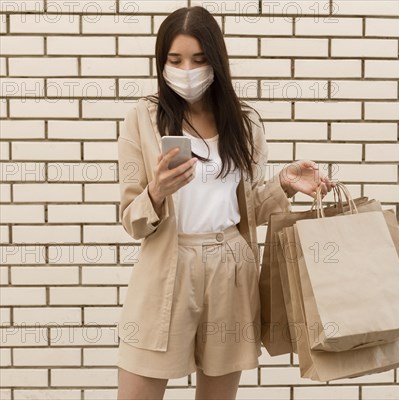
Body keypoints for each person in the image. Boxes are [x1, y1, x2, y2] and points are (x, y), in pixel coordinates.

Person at [116, 5, 335, 400]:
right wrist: (157, 191)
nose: (187, 69)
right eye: (175, 59)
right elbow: (133, 221)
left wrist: (284, 184)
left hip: (231, 266)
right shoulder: (143, 118)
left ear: (216, 60)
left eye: (199, 59)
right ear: (161, 62)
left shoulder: (244, 122)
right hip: (168, 265)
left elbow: (248, 210)